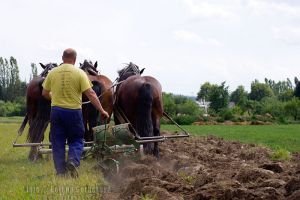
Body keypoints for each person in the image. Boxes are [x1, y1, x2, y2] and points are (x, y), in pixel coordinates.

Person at [42, 48, 109, 177]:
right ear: (75, 59)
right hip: (74, 112)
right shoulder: (80, 73)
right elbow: (91, 93)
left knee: (57, 141)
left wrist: (54, 97)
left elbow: (44, 93)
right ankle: (73, 161)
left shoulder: (52, 73)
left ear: (62, 58)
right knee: (77, 139)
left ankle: (61, 171)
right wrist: (102, 110)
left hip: (56, 112)